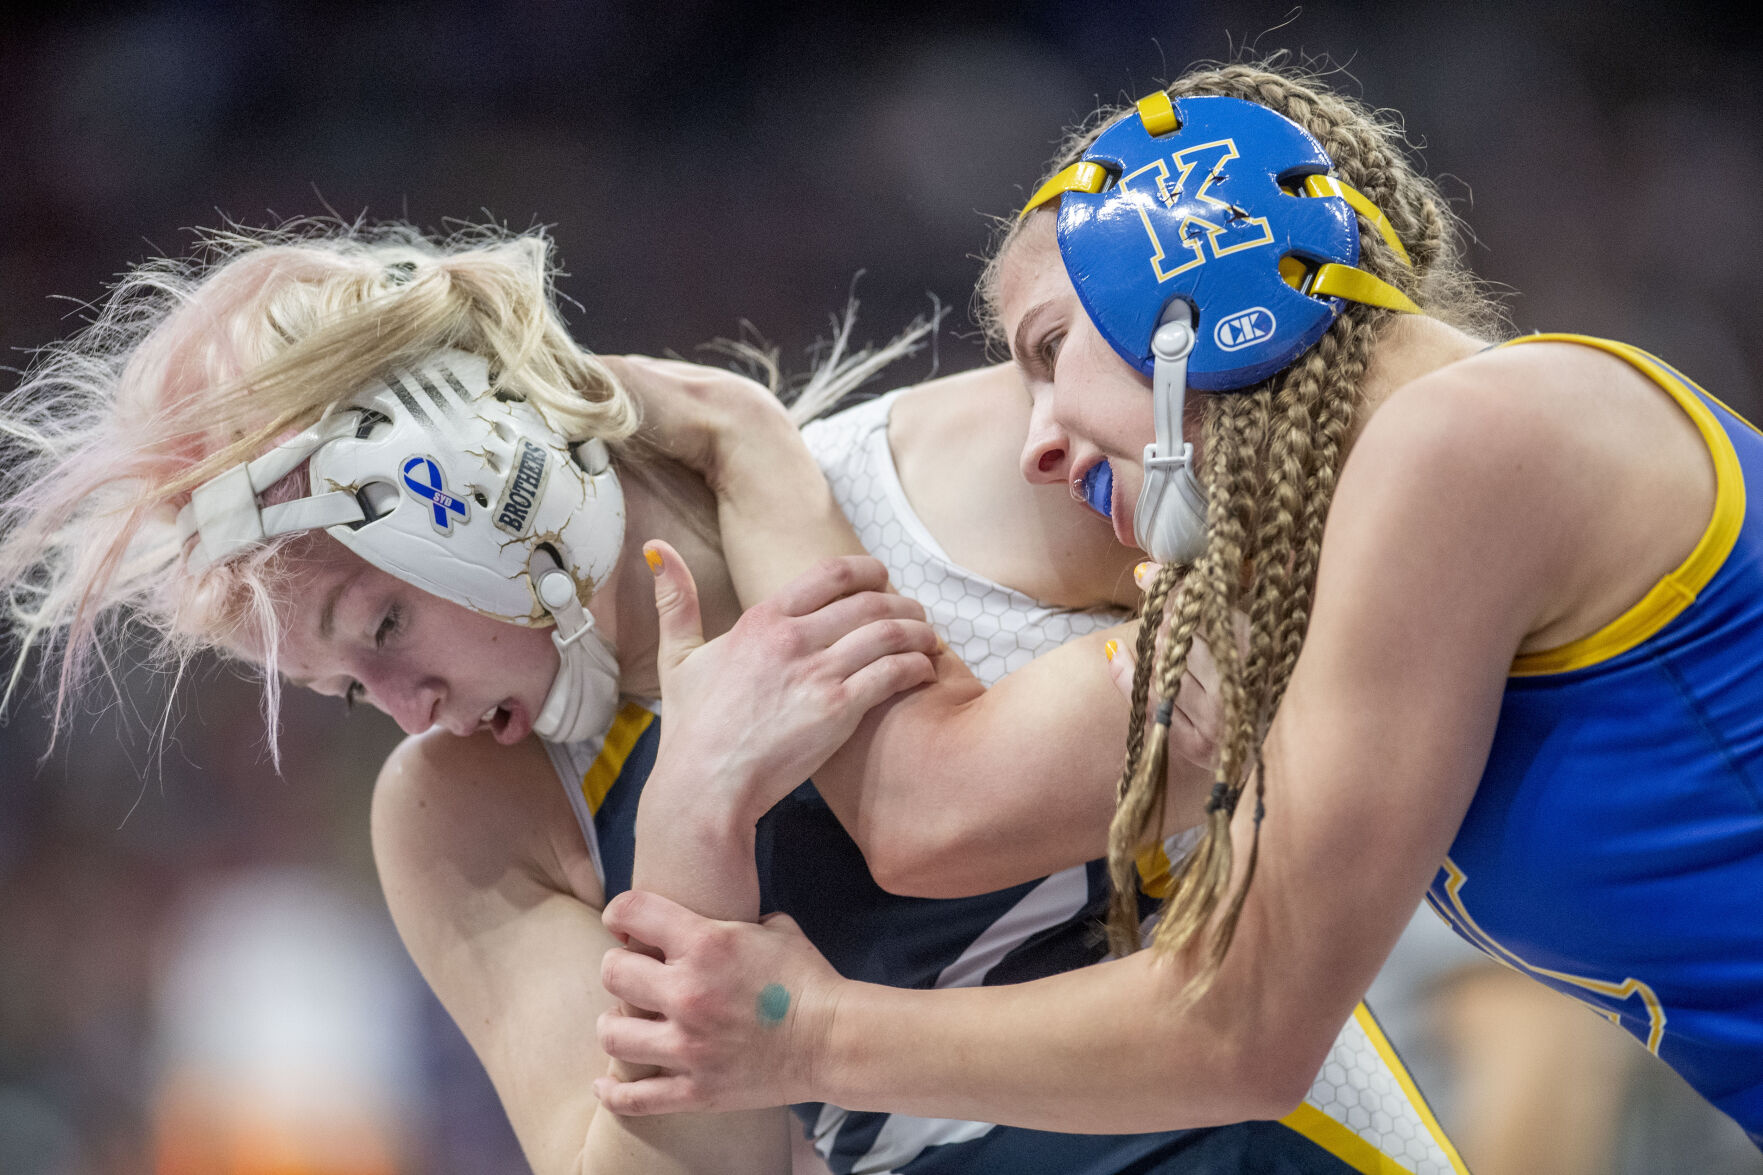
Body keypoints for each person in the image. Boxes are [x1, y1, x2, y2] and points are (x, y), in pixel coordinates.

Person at [0, 223, 1464, 1173]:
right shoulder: (463, 810)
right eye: (336, 683)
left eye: (379, 621)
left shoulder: (958, 473)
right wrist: (691, 816)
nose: (403, 707)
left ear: (462, 468)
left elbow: (1409, 524)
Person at [589, 61, 1763, 1150]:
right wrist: (758, 451)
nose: (1035, 444)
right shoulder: (1376, 535)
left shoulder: (1462, 443)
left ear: (1193, 289)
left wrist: (808, 1034)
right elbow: (934, 806)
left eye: (1048, 350)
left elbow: (1238, 1026)